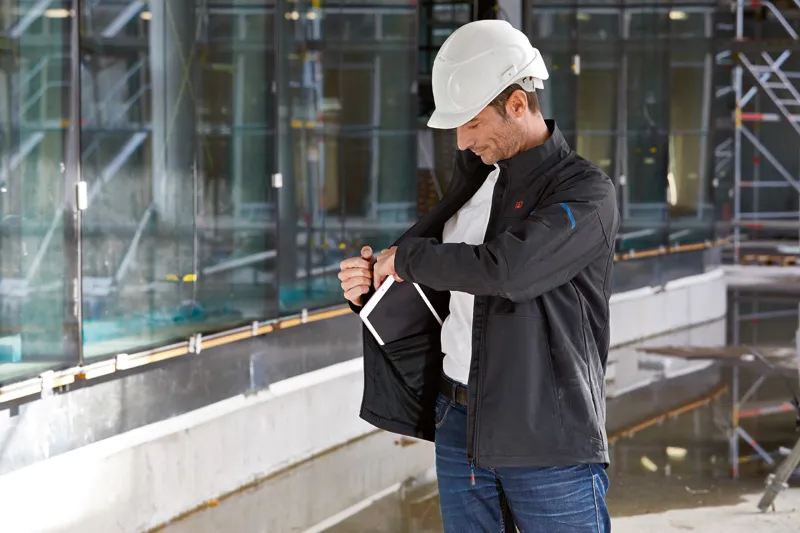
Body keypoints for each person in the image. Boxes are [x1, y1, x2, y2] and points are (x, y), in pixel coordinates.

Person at [338, 19, 619, 532]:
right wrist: (377, 288)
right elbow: (449, 292)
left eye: (470, 123)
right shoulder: (472, 184)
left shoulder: (586, 194)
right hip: (460, 422)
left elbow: (508, 271)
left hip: (546, 437)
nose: (462, 141)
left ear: (516, 104)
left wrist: (409, 259)